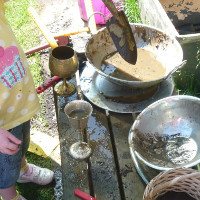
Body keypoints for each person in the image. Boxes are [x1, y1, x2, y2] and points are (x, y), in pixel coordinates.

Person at [0, 0, 55, 199]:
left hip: (18, 107)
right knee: (4, 169)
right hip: (2, 124)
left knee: (22, 143)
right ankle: (10, 196)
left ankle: (23, 170)